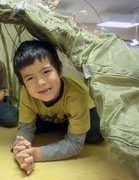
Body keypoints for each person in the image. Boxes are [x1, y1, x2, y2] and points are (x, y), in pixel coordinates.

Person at [12, 40, 103, 175]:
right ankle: (65, 126)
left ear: (60, 70)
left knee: (95, 134)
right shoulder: (26, 93)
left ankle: (68, 127)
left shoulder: (76, 95)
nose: (41, 82)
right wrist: (20, 151)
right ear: (23, 84)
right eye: (30, 78)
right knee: (27, 126)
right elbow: (25, 129)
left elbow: (76, 145)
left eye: (46, 72)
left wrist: (36, 154)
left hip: (85, 108)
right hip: (54, 116)